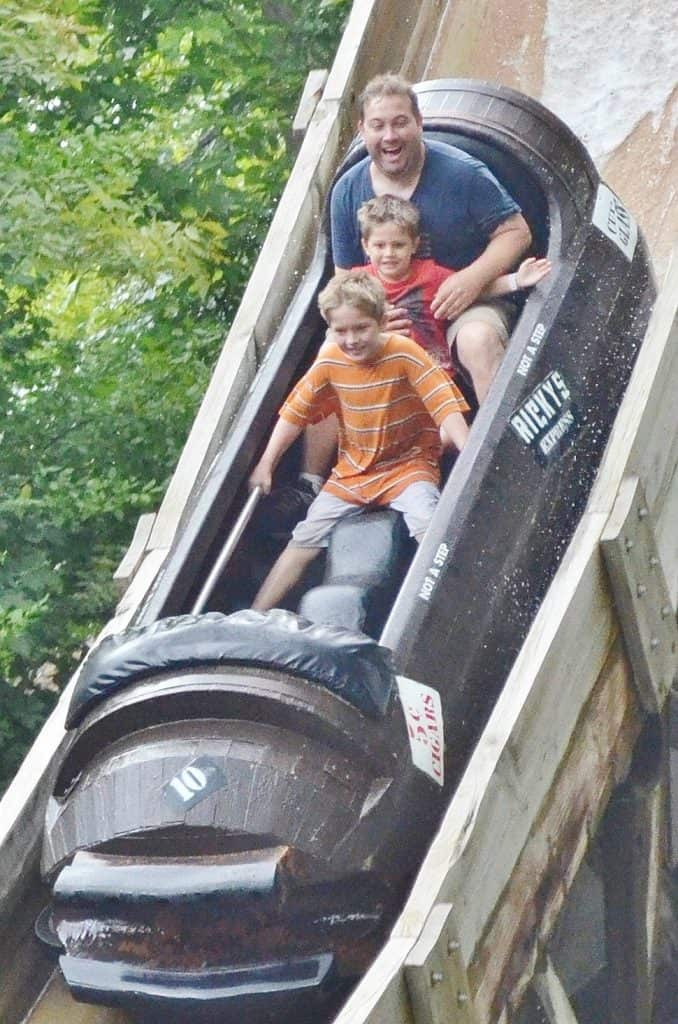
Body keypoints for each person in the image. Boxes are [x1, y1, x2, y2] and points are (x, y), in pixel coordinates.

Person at [249, 271, 470, 611]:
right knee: (303, 539)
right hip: (354, 472)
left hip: (407, 465)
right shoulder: (330, 361)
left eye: (361, 328)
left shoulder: (404, 353)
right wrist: (266, 465)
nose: (351, 339)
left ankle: (446, 604)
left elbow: (444, 405)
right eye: (341, 331)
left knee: (429, 523)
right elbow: (293, 415)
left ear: (380, 321)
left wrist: (468, 448)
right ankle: (255, 616)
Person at [331, 72, 532, 403]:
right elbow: (346, 280)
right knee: (332, 356)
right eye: (378, 126)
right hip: (390, 313)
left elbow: (516, 232)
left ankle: (497, 450)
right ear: (362, 131)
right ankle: (316, 456)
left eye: (400, 123)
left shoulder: (462, 173)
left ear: (419, 123)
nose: (390, 136)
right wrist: (374, 318)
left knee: (477, 341)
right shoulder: (346, 192)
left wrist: (471, 279)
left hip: (468, 301)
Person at [355, 195, 551, 377]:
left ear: (414, 245)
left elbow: (477, 291)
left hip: (434, 374)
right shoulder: (357, 283)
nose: (389, 253)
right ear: (366, 246)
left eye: (398, 245)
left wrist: (517, 280)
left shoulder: (430, 275)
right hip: (381, 373)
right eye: (380, 246)